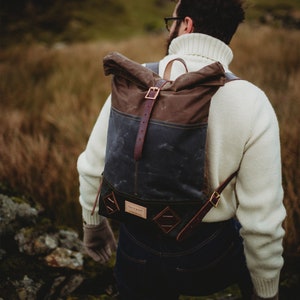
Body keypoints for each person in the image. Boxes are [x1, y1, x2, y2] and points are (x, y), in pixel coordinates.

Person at [77, 0, 286, 299]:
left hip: (136, 245)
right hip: (205, 256)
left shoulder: (135, 82)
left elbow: (91, 167)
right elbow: (262, 217)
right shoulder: (252, 101)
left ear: (185, 25)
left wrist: (93, 225)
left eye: (170, 21)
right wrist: (267, 290)